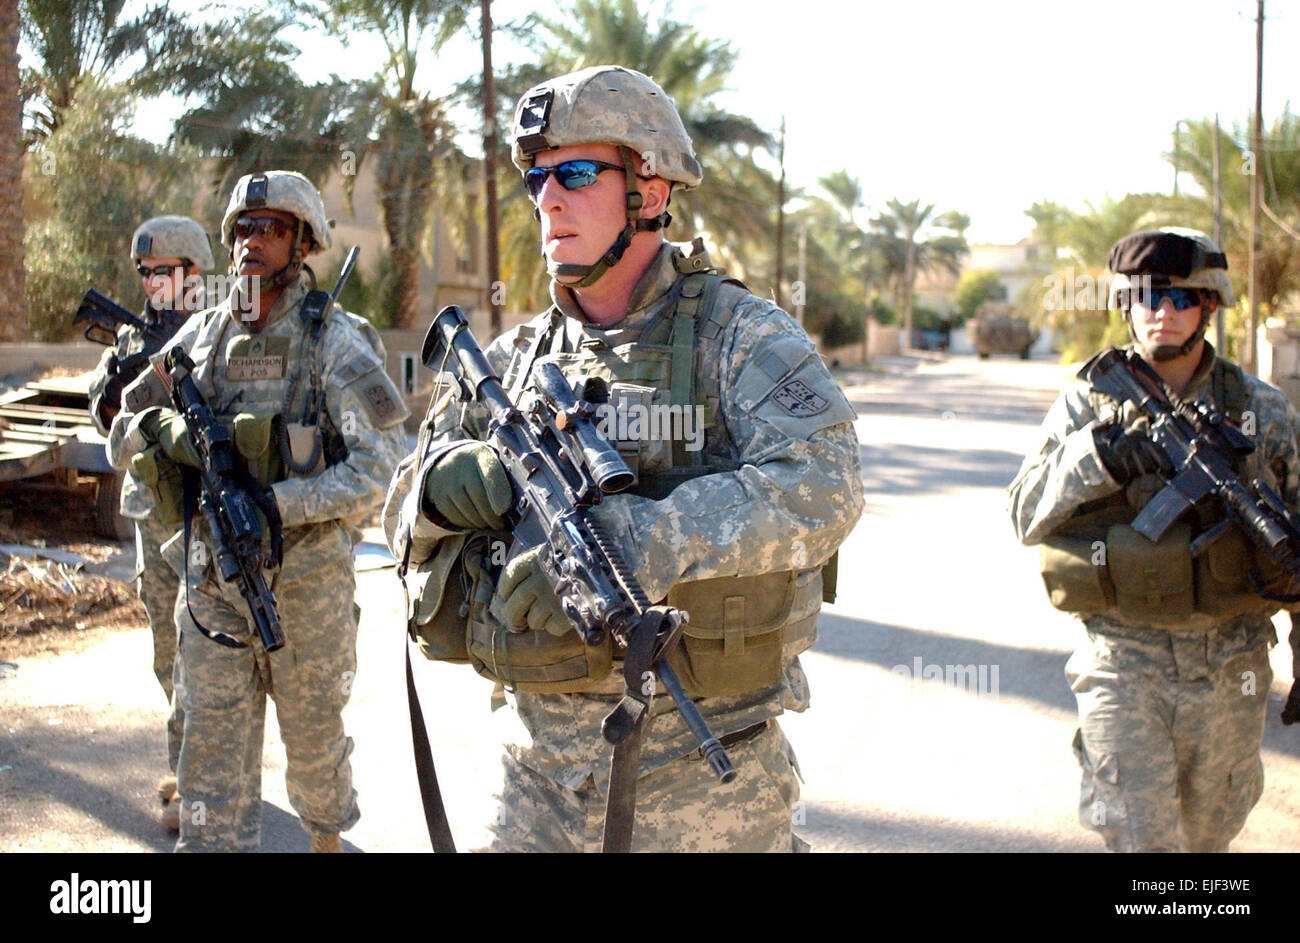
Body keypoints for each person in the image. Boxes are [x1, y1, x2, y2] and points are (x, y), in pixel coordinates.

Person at [384, 65, 863, 852]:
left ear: (652, 186)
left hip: (701, 778)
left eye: (575, 172)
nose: (549, 198)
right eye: (538, 178)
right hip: (535, 775)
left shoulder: (738, 334)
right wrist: (437, 490)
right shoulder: (509, 358)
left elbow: (824, 485)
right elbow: (395, 515)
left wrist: (646, 536)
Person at [108, 170, 409, 852]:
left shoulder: (334, 339)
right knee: (207, 766)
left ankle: (325, 836)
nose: (252, 241)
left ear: (302, 243)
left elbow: (381, 469)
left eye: (270, 228)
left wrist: (276, 503)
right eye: (243, 228)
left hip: (305, 591)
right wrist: (165, 435)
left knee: (314, 748)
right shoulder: (201, 338)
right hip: (212, 585)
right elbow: (122, 428)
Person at [1009, 227, 1300, 852]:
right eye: (1145, 297)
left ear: (1211, 307)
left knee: (1207, 841)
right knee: (1145, 847)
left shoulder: (1262, 410)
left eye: (1179, 299)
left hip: (1232, 666)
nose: (1160, 312)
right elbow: (1023, 514)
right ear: (1125, 305)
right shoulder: (1089, 403)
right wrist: (1100, 456)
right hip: (1122, 663)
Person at [87, 215, 213, 831]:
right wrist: (113, 391)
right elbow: (106, 423)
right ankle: (188, 767)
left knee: (201, 654)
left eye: (160, 271)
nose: (149, 282)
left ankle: (196, 786)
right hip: (148, 513)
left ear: (193, 272)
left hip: (200, 516)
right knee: (168, 654)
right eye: (143, 273)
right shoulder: (130, 338)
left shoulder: (217, 331)